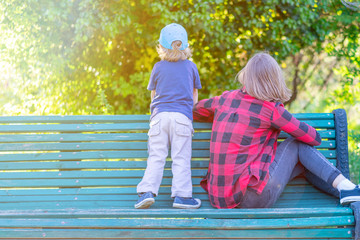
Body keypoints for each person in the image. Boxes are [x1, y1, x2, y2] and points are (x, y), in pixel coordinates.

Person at [192, 52, 360, 209]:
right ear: (273, 81)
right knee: (296, 144)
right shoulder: (270, 110)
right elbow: (314, 138)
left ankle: (345, 191)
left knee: (303, 162)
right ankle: (346, 188)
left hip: (217, 198)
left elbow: (195, 109)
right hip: (251, 197)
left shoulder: (224, 99)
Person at [135, 23, 202, 209]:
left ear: (161, 47)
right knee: (181, 157)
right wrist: (189, 112)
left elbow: (153, 96)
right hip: (182, 118)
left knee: (156, 157)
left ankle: (146, 192)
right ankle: (182, 196)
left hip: (159, 118)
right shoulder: (190, 67)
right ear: (186, 45)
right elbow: (194, 95)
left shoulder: (158, 67)